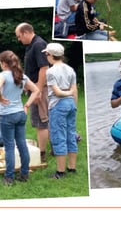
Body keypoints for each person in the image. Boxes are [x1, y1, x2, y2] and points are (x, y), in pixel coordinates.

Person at [0, 50, 40, 185]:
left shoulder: (3, 75)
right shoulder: (21, 75)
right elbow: (36, 90)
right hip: (20, 113)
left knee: (9, 147)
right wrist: (27, 106)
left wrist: (0, 97)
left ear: (3, 63)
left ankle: (9, 177)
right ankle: (24, 174)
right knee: (22, 144)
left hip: (7, 115)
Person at [15, 22, 50, 162]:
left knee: (41, 121)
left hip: (39, 88)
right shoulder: (31, 45)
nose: (19, 39)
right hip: (34, 87)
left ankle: (41, 153)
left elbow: (44, 68)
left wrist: (38, 90)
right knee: (43, 119)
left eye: (19, 36)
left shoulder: (39, 44)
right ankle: (55, 148)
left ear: (25, 32)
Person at [44, 43, 78, 179]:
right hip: (71, 105)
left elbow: (57, 92)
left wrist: (67, 93)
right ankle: (72, 167)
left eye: (46, 54)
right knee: (71, 134)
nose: (46, 56)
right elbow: (75, 90)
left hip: (58, 105)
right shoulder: (70, 69)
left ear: (51, 55)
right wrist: (73, 103)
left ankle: (60, 172)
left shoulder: (50, 71)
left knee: (58, 137)